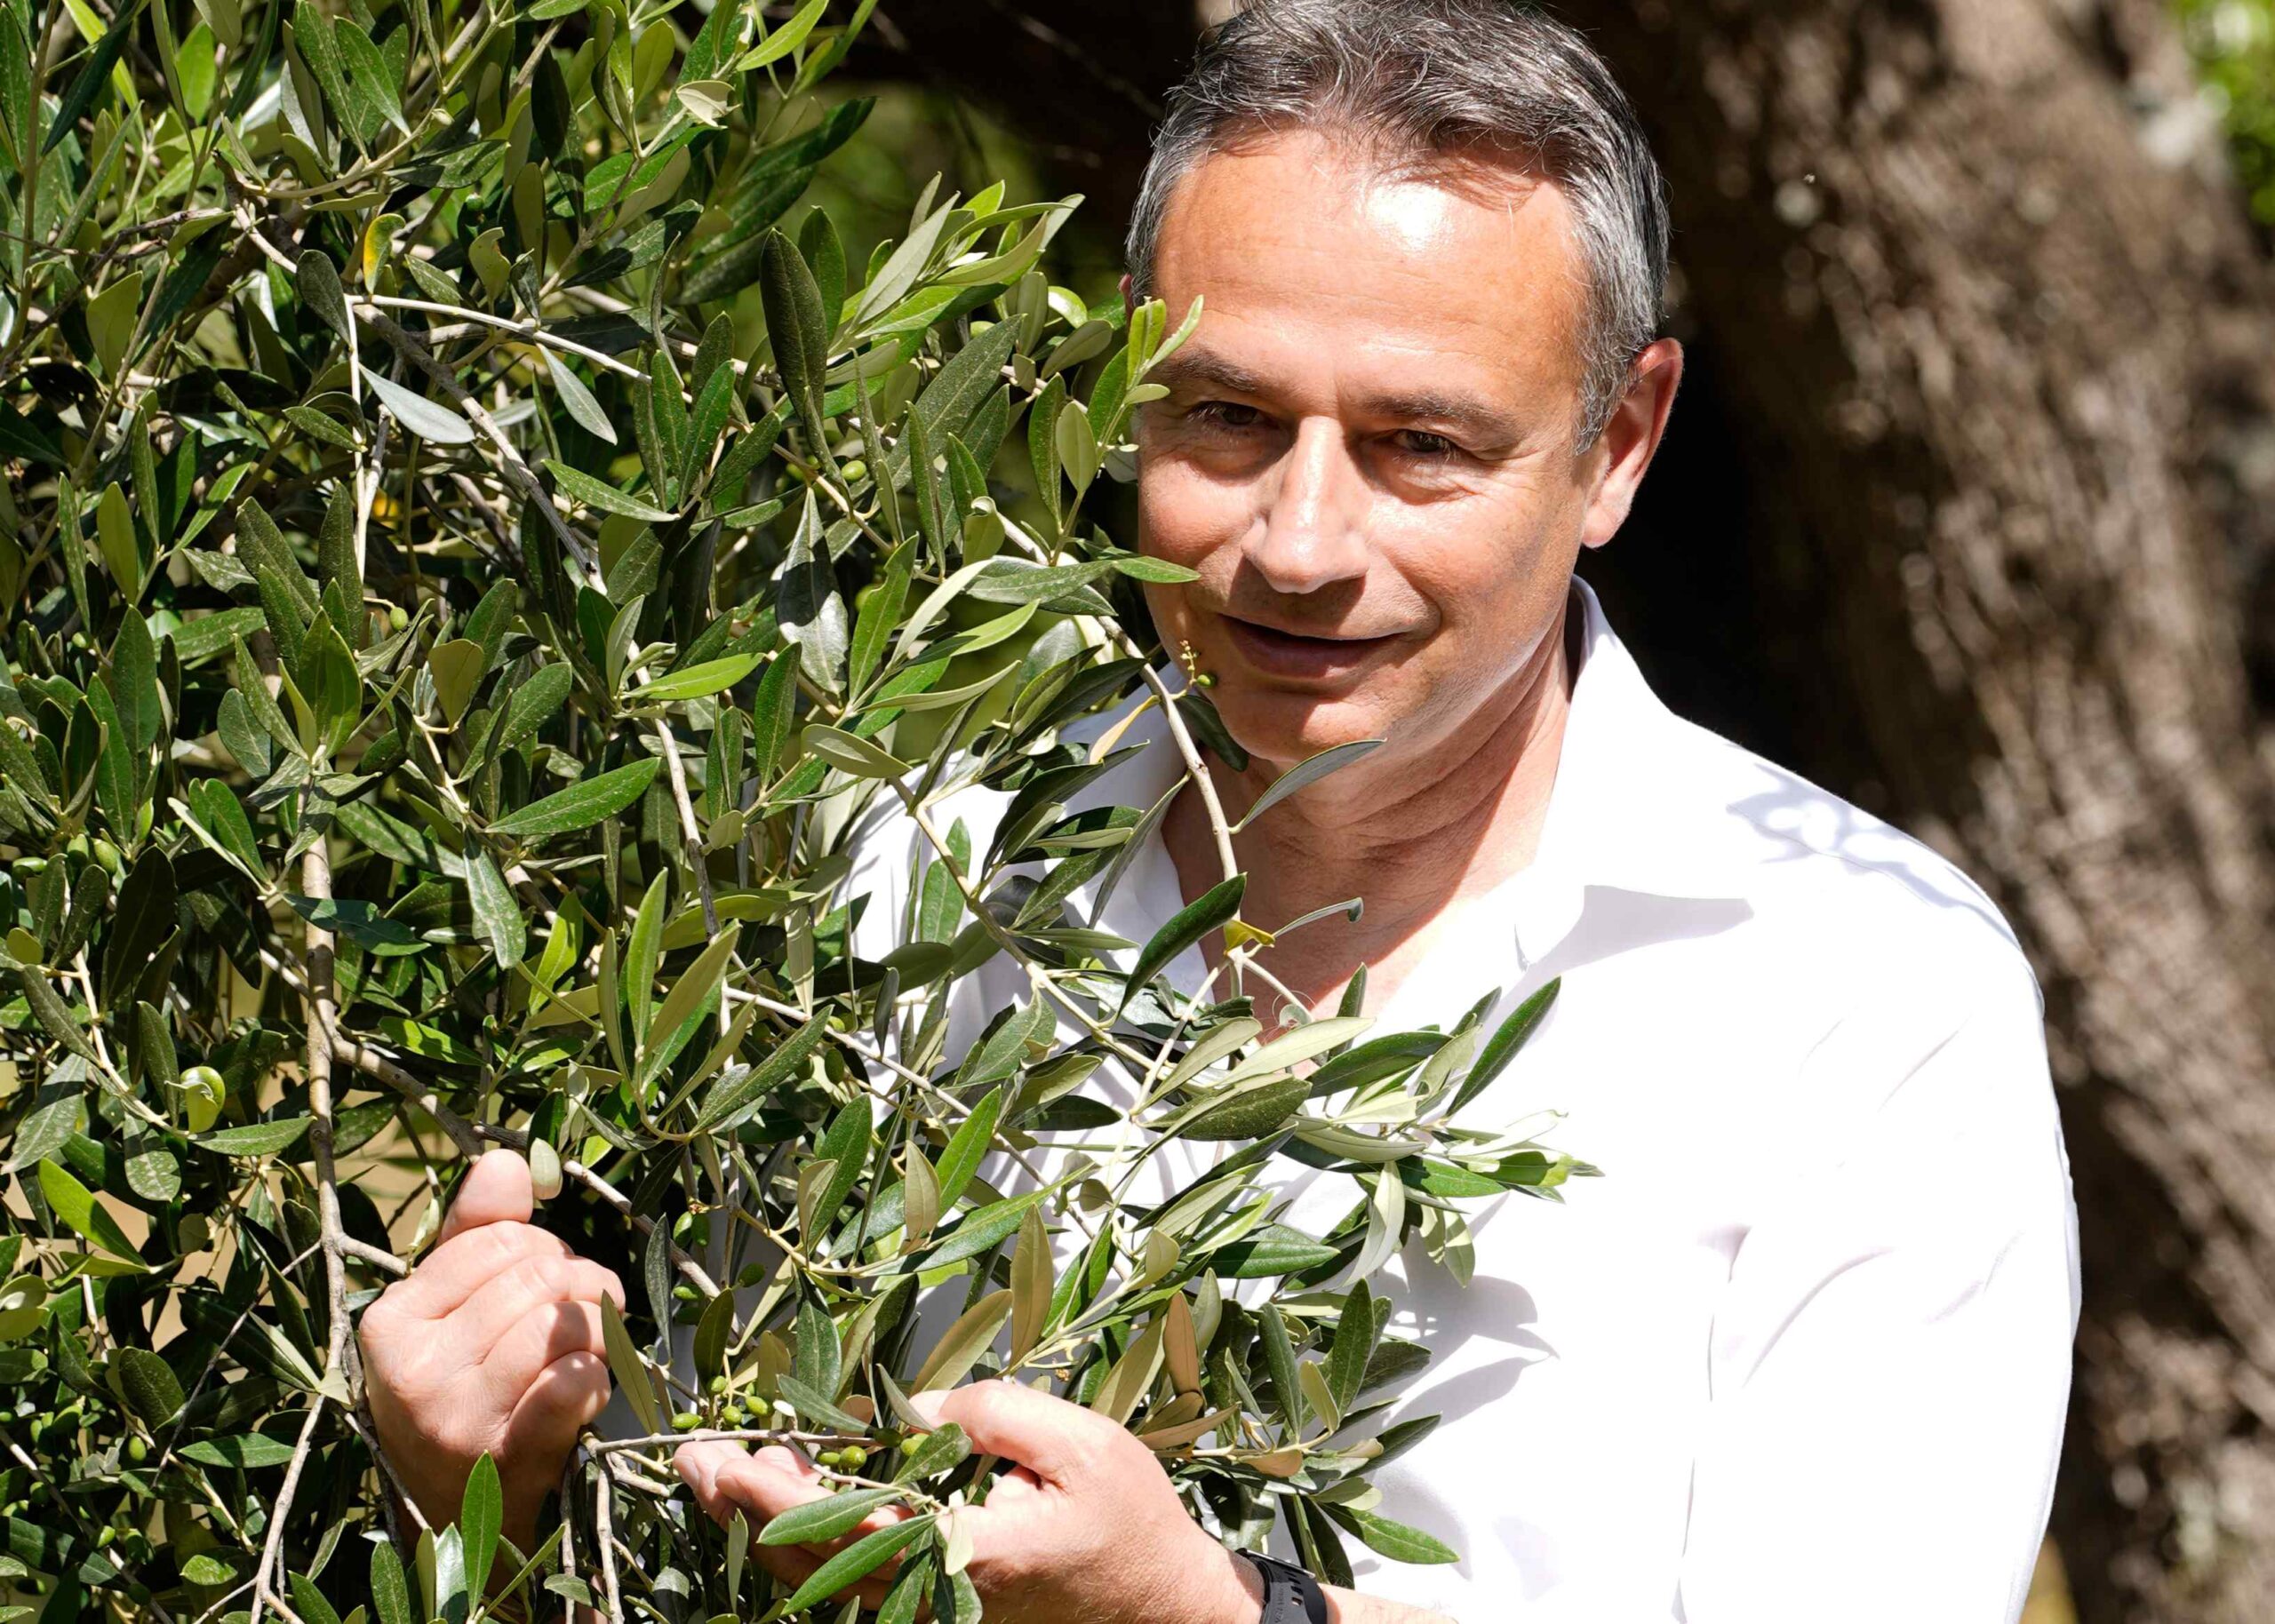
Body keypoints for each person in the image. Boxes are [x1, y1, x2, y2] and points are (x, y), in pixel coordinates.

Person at [359, 2, 2081, 1620]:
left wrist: (1206, 1608)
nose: (1299, 544)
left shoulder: (1862, 996)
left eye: (1421, 445)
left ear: (1616, 443)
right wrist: (491, 1509)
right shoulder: (901, 877)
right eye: (1229, 417)